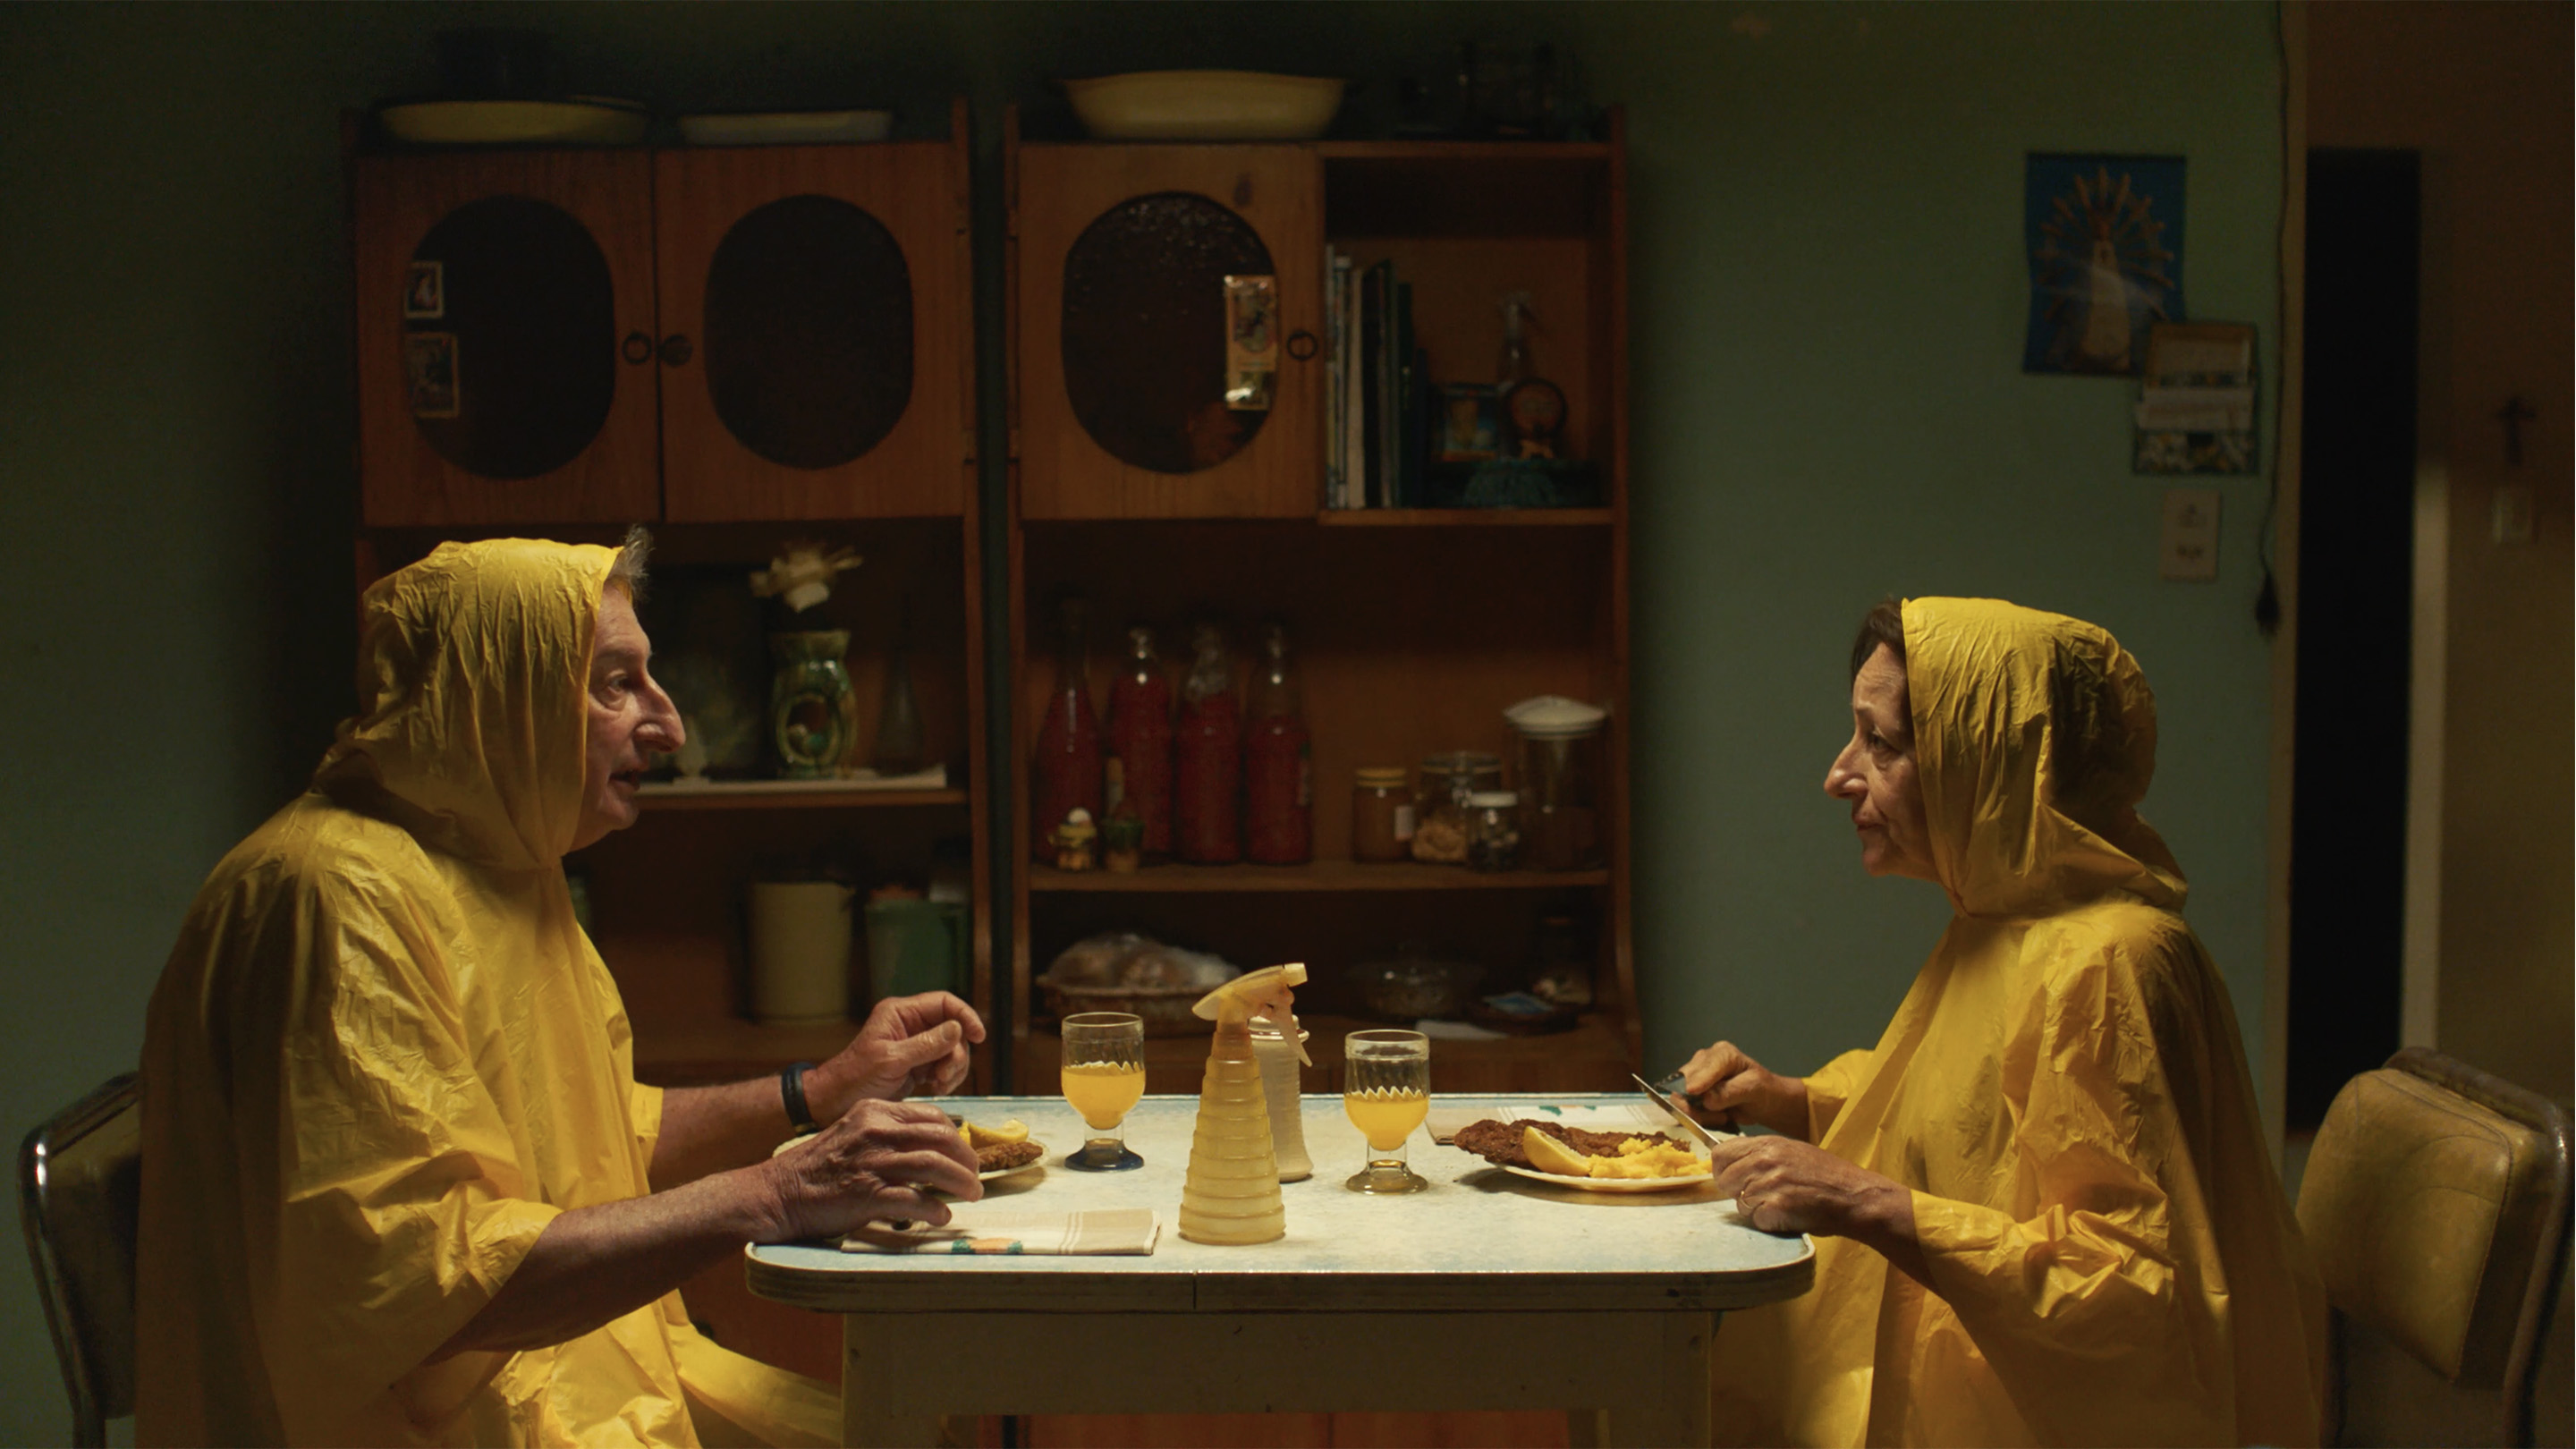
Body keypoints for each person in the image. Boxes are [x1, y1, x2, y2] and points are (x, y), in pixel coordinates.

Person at [137, 535, 987, 1446]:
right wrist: (778, 1193)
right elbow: (421, 1285)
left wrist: (819, 1090)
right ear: (498, 695)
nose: (670, 725)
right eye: (616, 685)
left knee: (923, 1437)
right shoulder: (332, 897)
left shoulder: (503, 865)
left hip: (577, 1382)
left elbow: (602, 1134)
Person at [1685, 596, 2327, 1447]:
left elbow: (2130, 1291)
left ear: (1988, 760)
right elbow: (1970, 1123)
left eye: (1882, 743)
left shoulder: (2108, 962)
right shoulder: (2000, 924)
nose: (1840, 775)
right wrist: (1791, 1098)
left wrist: (1864, 1200)